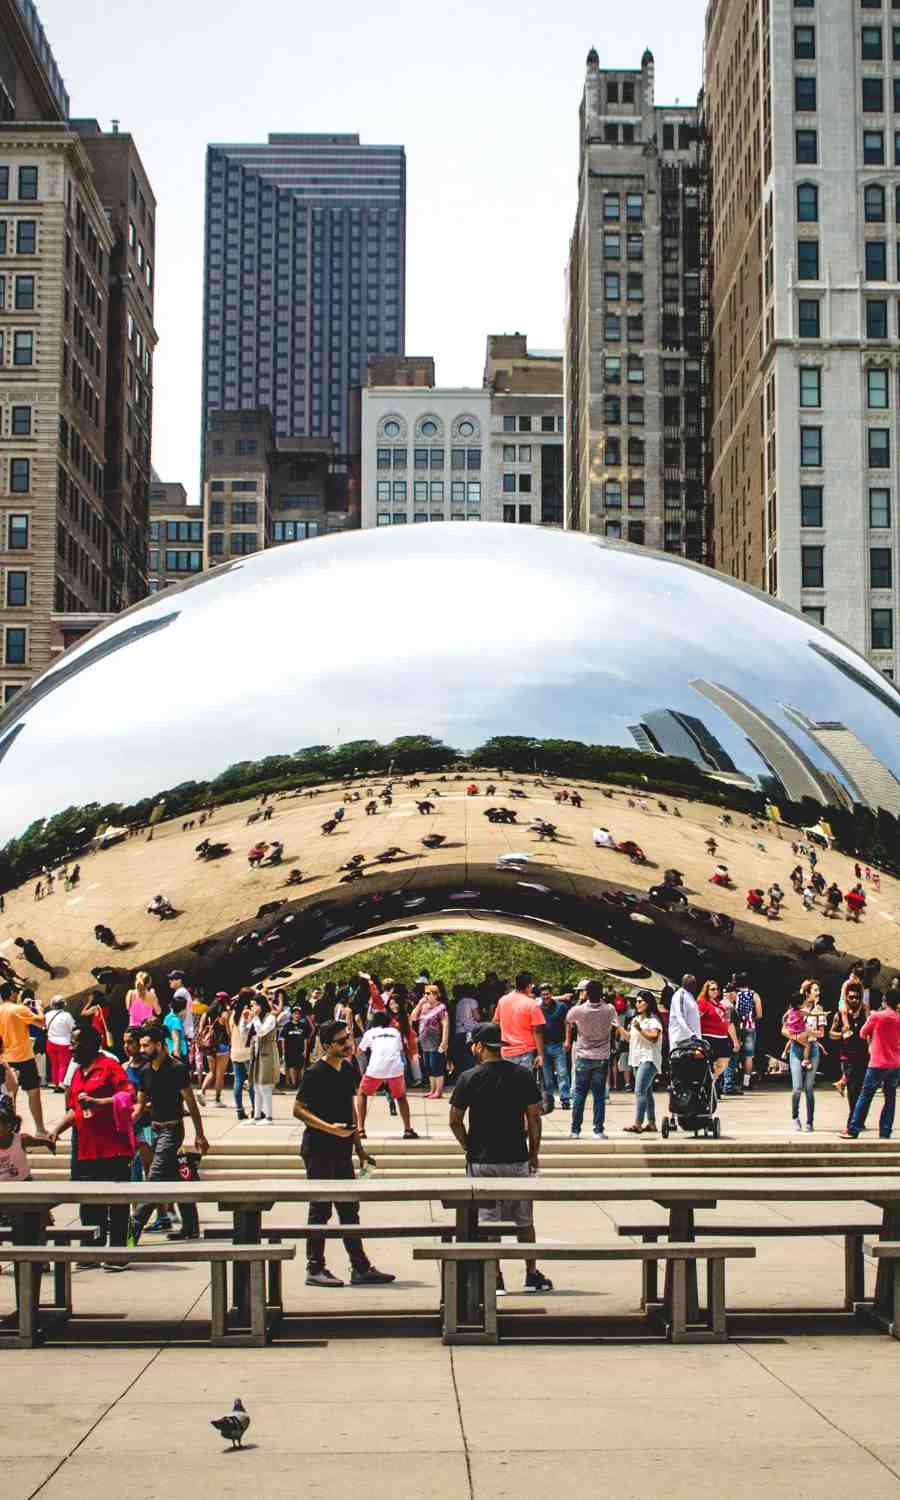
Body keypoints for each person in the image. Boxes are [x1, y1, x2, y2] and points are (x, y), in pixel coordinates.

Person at [448, 1022, 552, 1294]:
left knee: (488, 1220)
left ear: (480, 1047)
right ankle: (531, 1274)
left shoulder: (468, 1077)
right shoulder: (522, 1075)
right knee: (524, 1219)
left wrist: (467, 1146)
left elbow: (455, 1121)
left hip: (482, 1160)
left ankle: (495, 1277)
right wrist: (534, 1153)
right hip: (516, 1157)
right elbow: (534, 1117)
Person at [293, 1019, 395, 1288]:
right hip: (318, 1149)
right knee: (320, 1209)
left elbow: (348, 1104)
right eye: (341, 1041)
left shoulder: (348, 1069)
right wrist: (330, 1129)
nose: (348, 1044)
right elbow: (298, 1109)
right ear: (326, 1046)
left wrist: (358, 1145)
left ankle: (360, 1267)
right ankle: (315, 1268)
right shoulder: (315, 1072)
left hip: (342, 1150)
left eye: (348, 1038)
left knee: (349, 1209)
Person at [50, 1025, 134, 1268]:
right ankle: (91, 1252)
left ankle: (119, 1254)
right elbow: (74, 1110)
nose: (70, 1048)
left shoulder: (110, 1067)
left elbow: (126, 1098)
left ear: (88, 1045)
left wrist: (99, 1102)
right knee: (89, 1204)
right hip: (86, 1150)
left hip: (113, 1150)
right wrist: (55, 1131)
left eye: (74, 1044)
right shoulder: (76, 1072)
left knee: (117, 1204)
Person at [130, 1023, 209, 1243]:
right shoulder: (144, 1072)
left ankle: (130, 1232)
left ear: (160, 1045)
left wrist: (200, 1134)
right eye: (142, 1045)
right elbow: (139, 1107)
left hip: (172, 1130)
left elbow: (191, 1102)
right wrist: (125, 1126)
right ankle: (191, 1227)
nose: (143, 1049)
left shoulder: (176, 1068)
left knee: (154, 1177)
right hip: (153, 1130)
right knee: (174, 1177)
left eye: (147, 1045)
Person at [841, 989, 900, 1139]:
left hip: (877, 1062)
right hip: (895, 1063)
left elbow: (862, 1033)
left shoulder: (877, 1016)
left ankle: (853, 1128)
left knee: (865, 1096)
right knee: (890, 1098)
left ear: (884, 1001)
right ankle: (885, 1131)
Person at [564, 980, 620, 1139]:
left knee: (580, 1094)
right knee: (599, 1095)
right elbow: (614, 1025)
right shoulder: (609, 1009)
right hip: (602, 1056)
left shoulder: (579, 1010)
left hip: (583, 1055)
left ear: (586, 993)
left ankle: (575, 1130)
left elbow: (568, 1020)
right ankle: (598, 1130)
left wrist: (568, 1039)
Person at [356, 1011, 419, 1139]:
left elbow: (360, 1050)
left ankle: (361, 1130)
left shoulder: (369, 1033)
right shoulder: (395, 1032)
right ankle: (407, 1130)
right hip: (395, 1067)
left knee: (362, 1093)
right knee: (401, 1097)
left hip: (376, 1067)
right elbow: (400, 1048)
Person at [0, 980, 47, 1136]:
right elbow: (41, 1023)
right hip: (24, 1058)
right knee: (33, 1093)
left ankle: (9, 1131)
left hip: (5, 1059)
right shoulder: (18, 1009)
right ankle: (40, 1129)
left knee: (8, 1097)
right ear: (12, 993)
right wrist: (39, 1009)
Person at [623, 993, 663, 1133]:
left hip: (648, 1058)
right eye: (637, 1001)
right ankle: (651, 1123)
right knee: (647, 1092)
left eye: (641, 1001)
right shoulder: (636, 1019)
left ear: (648, 1003)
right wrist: (619, 1028)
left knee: (639, 1091)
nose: (637, 1004)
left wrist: (640, 1028)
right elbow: (629, 1038)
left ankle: (638, 1123)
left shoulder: (653, 1020)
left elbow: (653, 1037)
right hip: (636, 1058)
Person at [830, 983, 869, 1125]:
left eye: (857, 997)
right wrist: (842, 1033)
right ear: (846, 997)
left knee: (860, 1089)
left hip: (864, 1056)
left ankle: (857, 1119)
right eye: (851, 997)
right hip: (847, 1057)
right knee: (852, 1089)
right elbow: (831, 1034)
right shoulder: (840, 1014)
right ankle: (853, 1120)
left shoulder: (865, 1013)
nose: (854, 1000)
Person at [782, 994, 820, 1132]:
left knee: (809, 1088)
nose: (815, 994)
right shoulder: (792, 1011)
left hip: (812, 1048)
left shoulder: (818, 1010)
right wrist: (797, 1036)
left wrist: (809, 1032)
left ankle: (809, 1121)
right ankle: (795, 1117)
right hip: (796, 1048)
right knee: (797, 1087)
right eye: (812, 991)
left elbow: (821, 1034)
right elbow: (783, 1030)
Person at [494, 972, 545, 1074]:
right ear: (529, 986)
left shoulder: (503, 1000)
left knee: (507, 1085)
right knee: (524, 1086)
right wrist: (540, 1054)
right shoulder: (531, 1004)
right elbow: (537, 1032)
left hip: (506, 1051)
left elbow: (495, 1022)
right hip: (525, 1052)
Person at [696, 979, 740, 1088]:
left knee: (724, 1060)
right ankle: (708, 1084)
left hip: (722, 1037)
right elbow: (696, 1018)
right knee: (709, 1062)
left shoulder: (720, 1005)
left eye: (717, 989)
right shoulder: (703, 1002)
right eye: (712, 989)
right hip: (709, 1037)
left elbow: (728, 1024)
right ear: (706, 990)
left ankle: (712, 1081)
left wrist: (735, 1041)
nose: (715, 991)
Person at [409, 983, 450, 1099]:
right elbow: (413, 1017)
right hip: (424, 1041)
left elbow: (445, 1024)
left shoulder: (441, 1007)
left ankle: (439, 1091)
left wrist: (444, 1041)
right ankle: (432, 1090)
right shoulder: (424, 1006)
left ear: (436, 995)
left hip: (435, 1040)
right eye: (425, 993)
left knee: (436, 1065)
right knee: (428, 1066)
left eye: (428, 993)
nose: (426, 995)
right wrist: (420, 1003)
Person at [538, 983, 571, 1111]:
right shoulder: (538, 1008)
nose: (545, 996)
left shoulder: (561, 1007)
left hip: (558, 1044)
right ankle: (549, 1099)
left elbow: (567, 1024)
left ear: (551, 994)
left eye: (547, 994)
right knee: (547, 1075)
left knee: (562, 1073)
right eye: (543, 995)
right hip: (544, 1046)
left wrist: (567, 1040)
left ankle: (565, 1099)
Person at [248, 994, 279, 1123]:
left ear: (261, 1005)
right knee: (255, 1085)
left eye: (254, 1005)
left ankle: (269, 1117)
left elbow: (261, 1032)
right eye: (252, 1005)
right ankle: (256, 1116)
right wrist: (246, 1019)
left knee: (264, 1085)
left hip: (267, 1053)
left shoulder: (270, 1017)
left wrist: (254, 1018)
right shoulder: (258, 1018)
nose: (253, 1008)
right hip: (257, 1053)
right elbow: (244, 1031)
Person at [198, 995, 230, 1107]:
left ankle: (201, 1091)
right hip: (222, 1045)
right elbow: (228, 1031)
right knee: (220, 1074)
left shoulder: (206, 1014)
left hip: (209, 1045)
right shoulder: (225, 1014)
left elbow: (200, 1030)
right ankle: (217, 1100)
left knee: (211, 1072)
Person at [44, 997, 75, 1092]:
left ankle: (55, 1083)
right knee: (63, 1064)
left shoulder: (47, 1014)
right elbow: (73, 1027)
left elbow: (43, 1026)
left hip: (50, 1042)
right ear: (63, 1004)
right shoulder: (67, 1015)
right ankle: (61, 1084)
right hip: (64, 1043)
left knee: (54, 1064)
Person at [667, 974, 701, 1049]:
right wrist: (691, 1034)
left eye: (693, 982)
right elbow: (680, 1017)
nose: (692, 983)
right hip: (681, 1039)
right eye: (689, 981)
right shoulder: (680, 995)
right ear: (683, 982)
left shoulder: (690, 996)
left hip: (691, 1039)